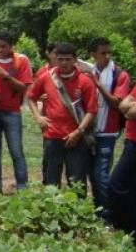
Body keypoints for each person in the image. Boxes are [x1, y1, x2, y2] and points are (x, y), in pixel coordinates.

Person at [27, 42, 97, 190]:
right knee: (51, 181)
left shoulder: (85, 81)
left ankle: (77, 213)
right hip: (52, 136)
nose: (64, 63)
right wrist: (38, 117)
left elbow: (91, 111)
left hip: (76, 138)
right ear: (55, 59)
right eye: (61, 59)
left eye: (68, 59)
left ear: (75, 61)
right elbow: (31, 96)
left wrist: (78, 132)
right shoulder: (46, 77)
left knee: (77, 182)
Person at [106, 34, 136, 248]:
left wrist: (134, 108)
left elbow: (135, 111)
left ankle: (129, 230)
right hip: (133, 142)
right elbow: (124, 106)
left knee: (118, 185)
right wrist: (132, 108)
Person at [86, 37, 131, 215]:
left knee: (101, 174)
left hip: (108, 131)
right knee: (91, 174)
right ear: (93, 55)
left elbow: (116, 104)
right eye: (102, 53)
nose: (107, 56)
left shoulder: (120, 75)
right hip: (90, 132)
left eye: (109, 52)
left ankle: (108, 214)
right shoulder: (86, 72)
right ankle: (99, 208)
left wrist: (99, 86)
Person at [0, 31, 33, 192]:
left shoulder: (21, 61)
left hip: (12, 112)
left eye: (4, 46)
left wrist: (6, 76)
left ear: (12, 46)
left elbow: (24, 88)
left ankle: (22, 187)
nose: (0, 50)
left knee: (16, 151)